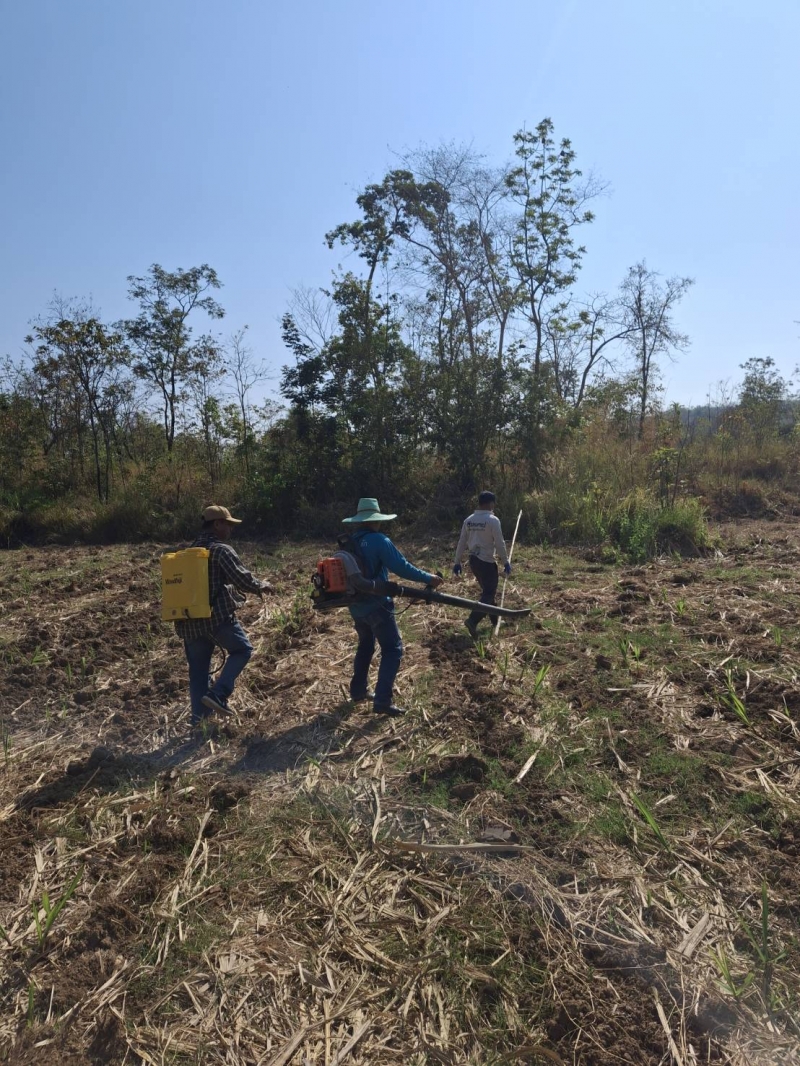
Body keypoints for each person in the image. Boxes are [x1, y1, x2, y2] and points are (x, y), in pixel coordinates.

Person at [342, 498, 443, 717]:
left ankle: (358, 691)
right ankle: (383, 701)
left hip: (356, 606)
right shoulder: (379, 540)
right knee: (392, 649)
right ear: (377, 519)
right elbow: (401, 567)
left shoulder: (350, 541)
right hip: (377, 605)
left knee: (365, 646)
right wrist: (429, 578)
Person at [175, 504, 272, 730]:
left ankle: (199, 725)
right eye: (228, 524)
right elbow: (242, 579)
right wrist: (263, 585)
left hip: (189, 624)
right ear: (217, 524)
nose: (230, 529)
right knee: (242, 650)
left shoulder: (185, 553)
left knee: (198, 674)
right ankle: (219, 693)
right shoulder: (221, 550)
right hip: (216, 619)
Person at [452, 491, 511, 639]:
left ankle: (496, 621)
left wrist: (457, 562)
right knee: (489, 593)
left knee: (488, 592)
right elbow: (499, 543)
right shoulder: (493, 520)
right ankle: (472, 620)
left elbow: (462, 541)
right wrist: (505, 561)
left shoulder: (469, 520)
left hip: (474, 561)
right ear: (491, 503)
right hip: (486, 562)